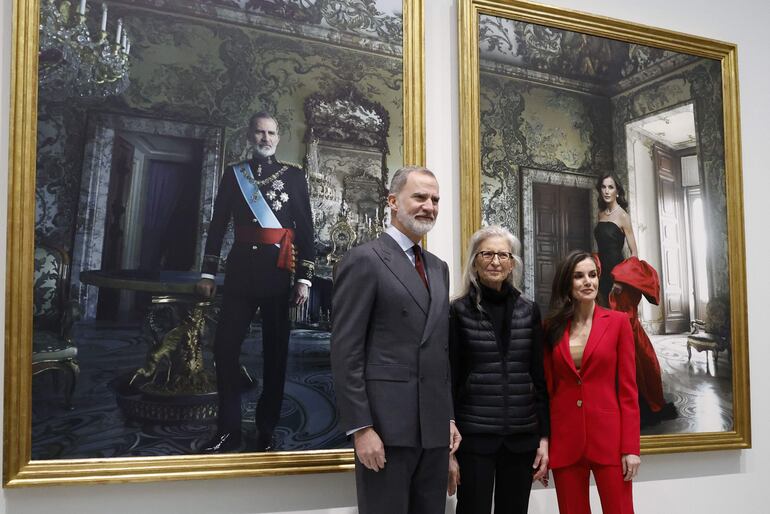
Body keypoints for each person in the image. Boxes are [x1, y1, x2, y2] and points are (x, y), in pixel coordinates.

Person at [330, 166, 461, 514]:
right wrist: (361, 429)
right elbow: (346, 352)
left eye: (435, 199)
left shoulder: (438, 267)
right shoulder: (364, 260)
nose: (429, 206)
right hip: (385, 430)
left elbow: (439, 352)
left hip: (433, 432)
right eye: (419, 197)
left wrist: (447, 419)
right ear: (393, 201)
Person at [197, 112, 315, 453]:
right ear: (250, 136)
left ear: (278, 138)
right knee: (224, 348)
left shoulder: (294, 176)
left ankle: (266, 428)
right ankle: (227, 429)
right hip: (239, 274)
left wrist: (304, 279)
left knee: (275, 354)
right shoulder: (234, 175)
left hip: (279, 275)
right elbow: (217, 226)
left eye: (271, 133)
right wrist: (208, 273)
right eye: (260, 132)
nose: (266, 138)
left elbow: (306, 232)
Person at [447, 225, 549, 514]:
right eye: (487, 254)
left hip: (521, 437)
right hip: (475, 438)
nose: (495, 261)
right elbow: (449, 379)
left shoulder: (529, 310)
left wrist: (544, 438)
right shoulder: (457, 311)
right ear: (474, 261)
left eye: (503, 255)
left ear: (512, 262)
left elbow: (539, 378)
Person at [543, 250, 640, 514]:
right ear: (567, 283)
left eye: (592, 275)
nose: (588, 282)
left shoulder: (619, 323)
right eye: (578, 276)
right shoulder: (550, 327)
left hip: (609, 440)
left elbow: (628, 391)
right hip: (565, 441)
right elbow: (547, 391)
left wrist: (631, 448)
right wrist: (544, 443)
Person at [594, 173, 638, 305]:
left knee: (614, 312)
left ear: (617, 191)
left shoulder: (623, 216)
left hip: (616, 272)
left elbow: (634, 254)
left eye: (611, 187)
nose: (606, 191)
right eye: (603, 187)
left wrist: (621, 279)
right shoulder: (600, 214)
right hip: (601, 272)